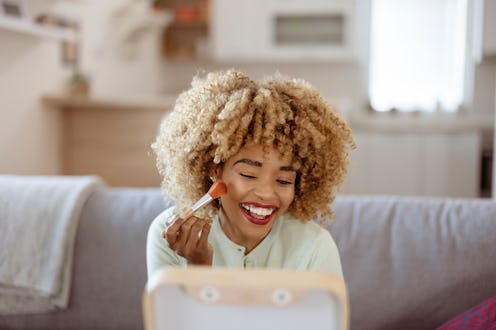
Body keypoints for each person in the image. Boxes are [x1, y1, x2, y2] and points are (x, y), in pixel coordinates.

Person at [146, 69, 355, 279]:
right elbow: (171, 313)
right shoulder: (169, 238)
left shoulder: (314, 247)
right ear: (214, 169)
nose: (266, 193)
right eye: (248, 174)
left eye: (283, 180)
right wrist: (198, 268)